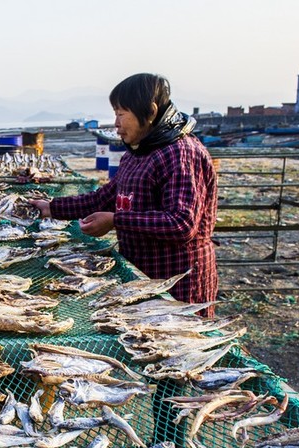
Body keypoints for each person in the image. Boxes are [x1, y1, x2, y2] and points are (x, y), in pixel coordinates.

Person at [30, 73, 218, 315]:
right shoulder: (136, 154)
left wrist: (115, 221)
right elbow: (103, 198)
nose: (116, 123)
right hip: (141, 274)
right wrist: (51, 208)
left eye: (121, 113)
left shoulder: (181, 153)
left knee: (179, 343)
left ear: (150, 112)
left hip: (179, 280)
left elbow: (182, 224)